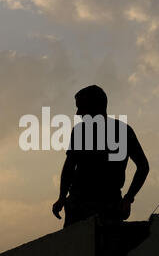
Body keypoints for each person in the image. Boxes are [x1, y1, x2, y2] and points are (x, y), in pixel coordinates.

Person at [52, 85, 149, 228]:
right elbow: (69, 167)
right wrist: (61, 197)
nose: (78, 113)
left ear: (96, 107)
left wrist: (129, 198)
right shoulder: (81, 132)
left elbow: (143, 167)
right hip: (81, 205)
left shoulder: (121, 132)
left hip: (107, 206)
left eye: (82, 107)